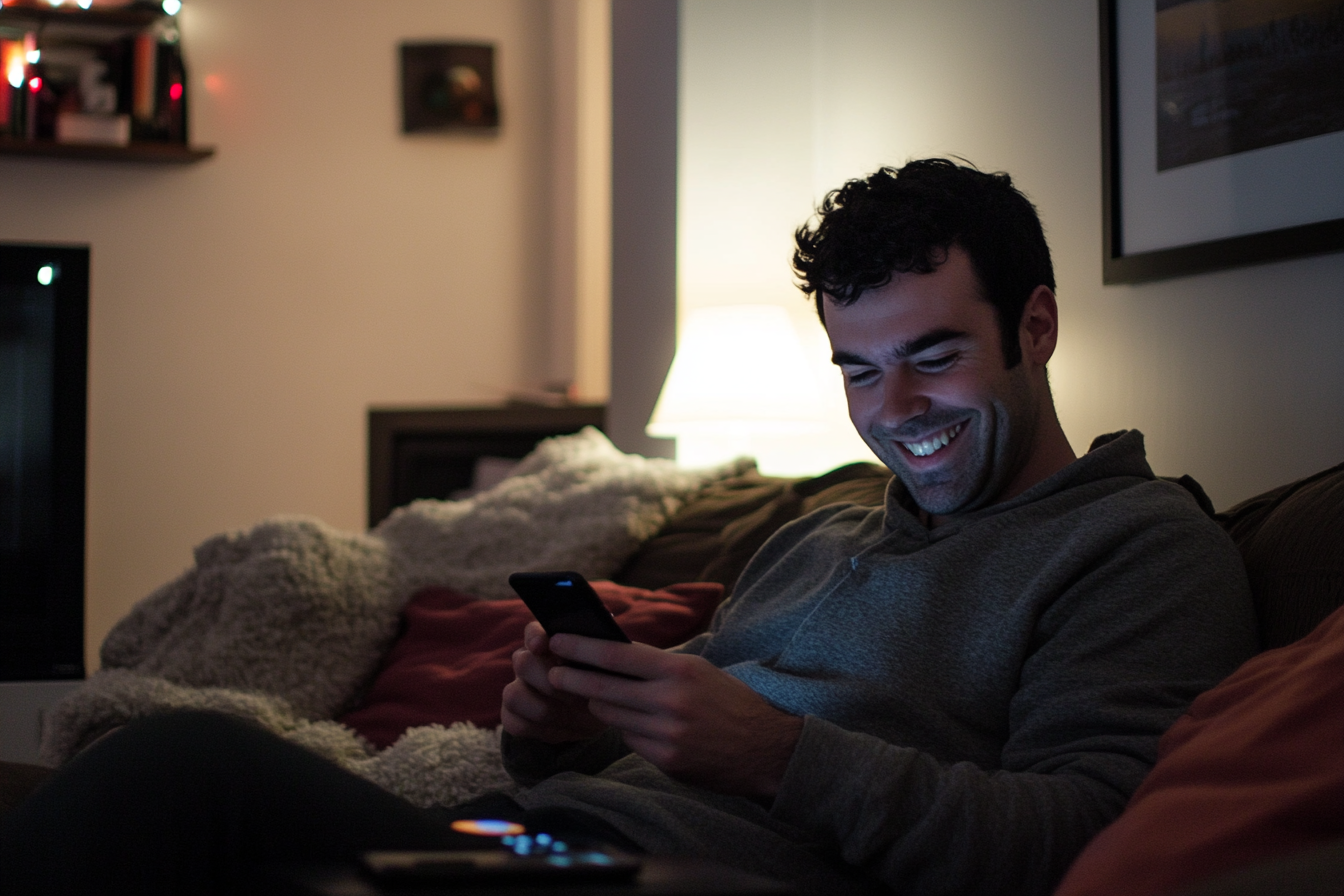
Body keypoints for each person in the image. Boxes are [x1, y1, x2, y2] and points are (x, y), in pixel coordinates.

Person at [0, 160, 1257, 896]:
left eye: (934, 357)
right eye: (859, 370)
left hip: (692, 881)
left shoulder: (1138, 547)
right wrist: (560, 723)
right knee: (162, 779)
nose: (898, 411)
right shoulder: (819, 534)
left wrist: (777, 753)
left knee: (178, 773)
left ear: (1035, 326)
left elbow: (1083, 839)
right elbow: (666, 744)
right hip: (538, 836)